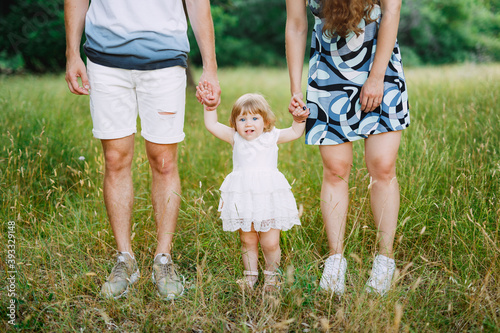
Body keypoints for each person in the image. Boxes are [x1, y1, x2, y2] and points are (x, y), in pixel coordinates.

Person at [64, 0, 221, 300]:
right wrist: (72, 53)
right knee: (115, 158)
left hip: (164, 59)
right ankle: (125, 259)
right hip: (105, 58)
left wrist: (210, 68)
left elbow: (198, 4)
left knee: (164, 162)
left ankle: (163, 259)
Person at [285, 0, 410, 296]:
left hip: (380, 66)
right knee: (335, 169)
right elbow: (296, 24)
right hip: (327, 72)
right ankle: (336, 259)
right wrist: (294, 90)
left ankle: (385, 260)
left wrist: (376, 78)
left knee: (382, 166)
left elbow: (391, 11)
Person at [198, 82, 308, 291]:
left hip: (268, 197)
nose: (248, 123)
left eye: (255, 118)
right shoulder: (235, 137)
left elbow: (295, 132)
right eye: (242, 119)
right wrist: (209, 107)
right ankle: (250, 275)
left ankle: (272, 275)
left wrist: (298, 119)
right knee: (247, 240)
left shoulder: (271, 136)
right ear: (235, 123)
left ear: (265, 121)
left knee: (270, 242)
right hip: (244, 198)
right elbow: (212, 125)